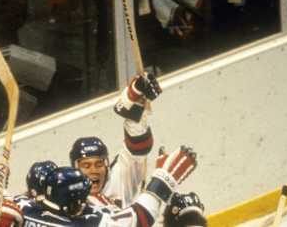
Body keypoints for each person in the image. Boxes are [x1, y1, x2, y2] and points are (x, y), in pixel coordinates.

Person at [22, 145, 198, 226]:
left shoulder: (25, 208)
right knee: (188, 210)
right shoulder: (89, 222)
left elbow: (0, 209)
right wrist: (164, 180)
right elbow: (139, 218)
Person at [68, 73, 162, 209]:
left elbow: (138, 148)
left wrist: (136, 93)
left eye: (99, 164)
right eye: (86, 166)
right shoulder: (65, 196)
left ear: (107, 165)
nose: (94, 171)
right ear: (74, 169)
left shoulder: (119, 178)